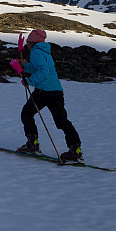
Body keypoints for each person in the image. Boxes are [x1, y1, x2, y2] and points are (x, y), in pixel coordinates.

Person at [16, 29, 82, 161]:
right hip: (56, 91)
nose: (26, 45)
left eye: (28, 42)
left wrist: (29, 80)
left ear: (33, 42)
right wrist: (25, 66)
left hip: (43, 91)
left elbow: (43, 72)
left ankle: (32, 144)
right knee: (62, 121)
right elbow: (40, 68)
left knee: (27, 113)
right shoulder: (45, 51)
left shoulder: (35, 52)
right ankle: (75, 149)